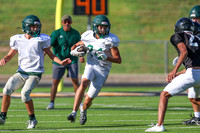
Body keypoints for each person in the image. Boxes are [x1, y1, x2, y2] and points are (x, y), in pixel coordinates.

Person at [0, 15, 71, 129]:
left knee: (24, 94)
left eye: (37, 27)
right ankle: (2, 116)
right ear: (26, 27)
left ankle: (32, 119)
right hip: (21, 72)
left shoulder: (41, 39)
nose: (36, 29)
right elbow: (10, 54)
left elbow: (51, 54)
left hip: (35, 73)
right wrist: (5, 59)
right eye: (33, 27)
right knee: (6, 89)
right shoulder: (18, 39)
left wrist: (61, 62)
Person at [145, 17, 200, 132]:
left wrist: (174, 70)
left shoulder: (177, 36)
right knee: (194, 99)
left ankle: (159, 126)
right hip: (195, 73)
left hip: (192, 74)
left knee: (164, 95)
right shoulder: (198, 38)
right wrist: (179, 73)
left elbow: (184, 52)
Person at [67, 15, 122, 125]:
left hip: (103, 70)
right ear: (95, 27)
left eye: (105, 27)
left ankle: (83, 109)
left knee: (88, 100)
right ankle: (73, 112)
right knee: (83, 83)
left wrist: (107, 57)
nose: (103, 29)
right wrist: (77, 51)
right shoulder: (87, 35)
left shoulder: (111, 40)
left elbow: (118, 60)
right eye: (101, 27)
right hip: (91, 65)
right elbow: (79, 44)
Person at [46, 14, 84, 110]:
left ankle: (79, 102)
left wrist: (81, 56)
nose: (67, 23)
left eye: (69, 21)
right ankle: (51, 102)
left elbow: (80, 46)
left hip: (72, 60)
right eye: (65, 21)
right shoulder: (56, 33)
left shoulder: (75, 33)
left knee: (75, 81)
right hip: (59, 61)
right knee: (55, 81)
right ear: (62, 22)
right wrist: (43, 55)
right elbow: (49, 46)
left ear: (71, 22)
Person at [172, 5, 200, 126]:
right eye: (193, 19)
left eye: (197, 18)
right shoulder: (192, 33)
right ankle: (197, 117)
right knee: (192, 93)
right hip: (195, 68)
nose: (194, 21)